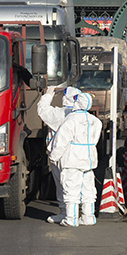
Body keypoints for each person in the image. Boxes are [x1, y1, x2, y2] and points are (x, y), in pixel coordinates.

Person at [49, 89, 103, 227]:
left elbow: (61, 141)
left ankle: (71, 218)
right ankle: (88, 217)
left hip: (72, 159)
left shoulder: (70, 120)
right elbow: (95, 140)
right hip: (89, 159)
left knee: (70, 189)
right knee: (88, 190)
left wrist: (54, 157)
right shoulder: (95, 121)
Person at [37, 85, 75, 224]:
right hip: (79, 155)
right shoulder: (85, 116)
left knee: (63, 185)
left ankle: (67, 214)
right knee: (79, 186)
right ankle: (84, 214)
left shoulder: (60, 113)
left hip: (61, 154)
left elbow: (42, 110)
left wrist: (48, 94)